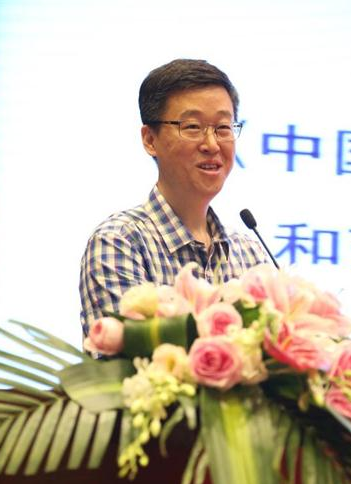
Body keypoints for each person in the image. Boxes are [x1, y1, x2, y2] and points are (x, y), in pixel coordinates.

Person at [80, 58, 267, 337]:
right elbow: (125, 359)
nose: (212, 144)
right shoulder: (120, 242)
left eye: (223, 128)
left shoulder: (250, 254)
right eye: (192, 127)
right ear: (150, 140)